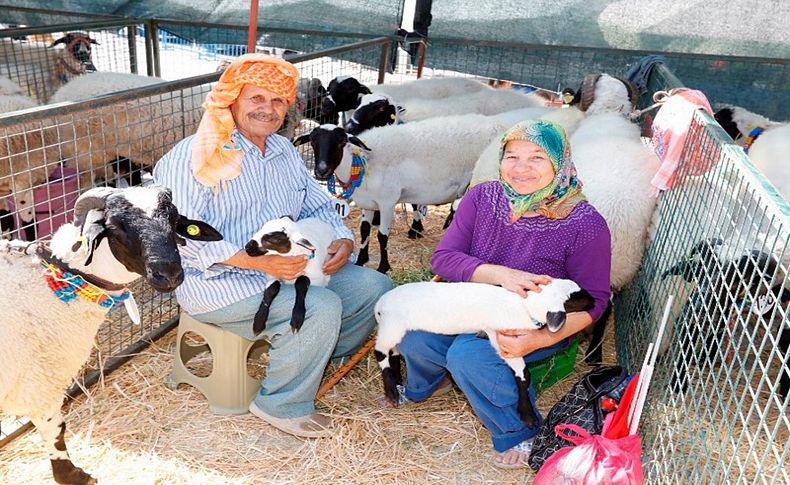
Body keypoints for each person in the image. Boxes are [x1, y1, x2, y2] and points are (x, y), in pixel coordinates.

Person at [153, 54, 392, 438]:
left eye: (278, 100)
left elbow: (316, 204)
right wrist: (259, 264)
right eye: (256, 98)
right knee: (320, 306)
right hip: (219, 283)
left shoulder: (282, 151)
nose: (268, 109)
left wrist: (344, 238)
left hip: (290, 268)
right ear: (231, 99)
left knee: (374, 288)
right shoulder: (194, 156)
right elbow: (181, 235)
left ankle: (316, 357)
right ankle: (280, 404)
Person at [391, 120, 611, 468]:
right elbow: (444, 259)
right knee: (413, 334)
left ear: (559, 162)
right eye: (512, 156)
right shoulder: (483, 197)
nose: (521, 168)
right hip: (470, 305)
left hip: (534, 320)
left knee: (470, 356)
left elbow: (596, 301)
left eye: (537, 158)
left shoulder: (584, 223)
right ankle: (429, 383)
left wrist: (536, 339)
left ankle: (520, 431)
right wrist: (501, 275)